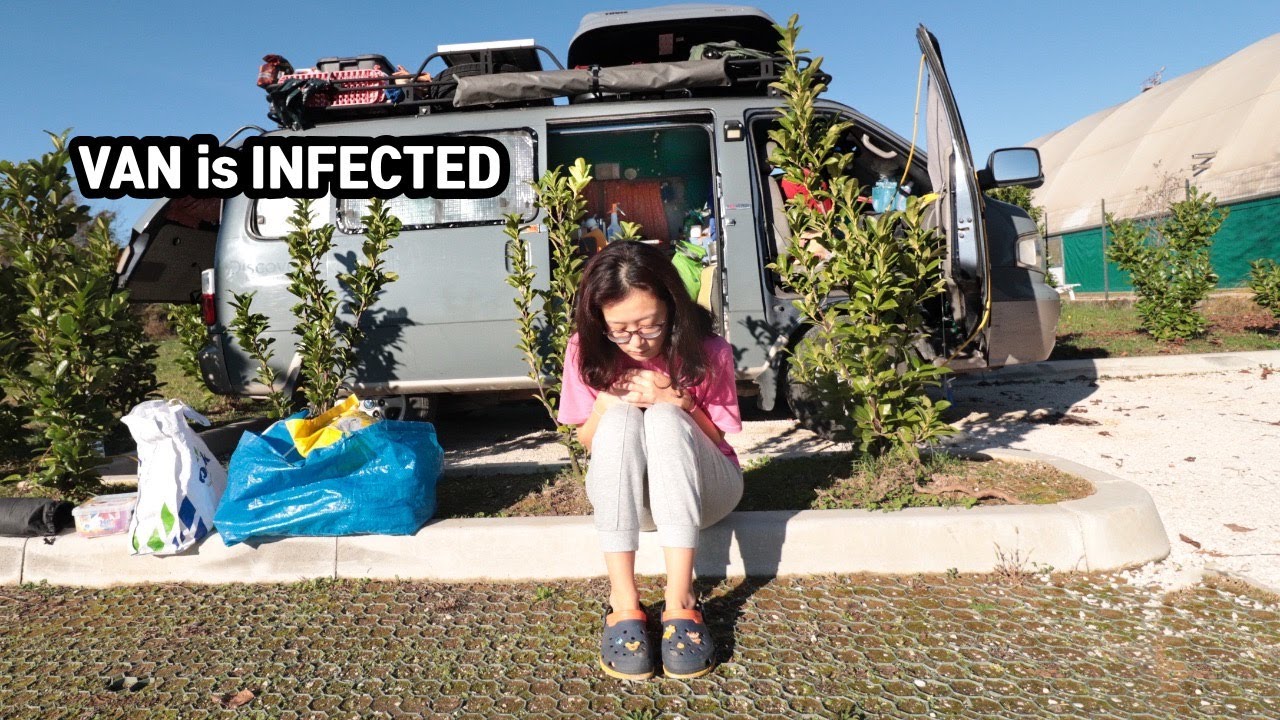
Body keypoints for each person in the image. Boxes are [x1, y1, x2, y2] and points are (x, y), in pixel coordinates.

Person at [558, 240, 743, 681]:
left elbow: (719, 438)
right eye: (620, 330)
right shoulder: (584, 349)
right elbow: (590, 445)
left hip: (710, 491)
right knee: (620, 419)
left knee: (663, 417)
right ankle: (624, 603)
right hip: (634, 504)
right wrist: (606, 402)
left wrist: (679, 401)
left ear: (672, 307)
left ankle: (681, 603)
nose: (636, 342)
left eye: (650, 326)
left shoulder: (709, 350)